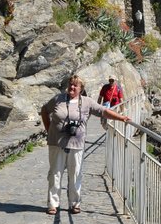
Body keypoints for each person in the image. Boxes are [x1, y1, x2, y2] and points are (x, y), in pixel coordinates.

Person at [41, 74, 130, 215]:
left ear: (81, 89)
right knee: (55, 174)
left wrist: (121, 118)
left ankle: (75, 203)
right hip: (56, 143)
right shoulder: (58, 99)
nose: (72, 87)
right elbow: (44, 111)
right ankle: (53, 204)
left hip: (76, 144)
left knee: (75, 174)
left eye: (75, 85)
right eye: (70, 84)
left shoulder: (87, 102)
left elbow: (103, 111)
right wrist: (49, 130)